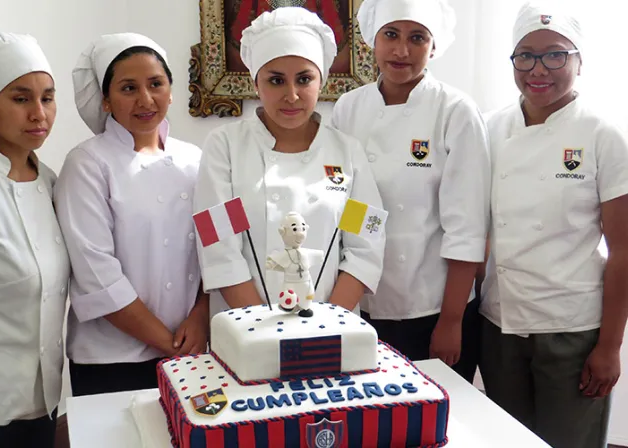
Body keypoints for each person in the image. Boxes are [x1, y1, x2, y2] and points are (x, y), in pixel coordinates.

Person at [479, 3, 628, 447]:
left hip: (572, 329)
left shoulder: (604, 135)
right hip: (499, 322)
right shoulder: (489, 128)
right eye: (525, 55)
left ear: (580, 61)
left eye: (556, 54)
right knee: (507, 440)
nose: (538, 69)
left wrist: (609, 346)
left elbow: (623, 251)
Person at [331, 0, 490, 383]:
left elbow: (466, 226)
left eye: (417, 38)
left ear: (433, 47)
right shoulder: (349, 108)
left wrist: (451, 321)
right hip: (366, 302)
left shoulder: (455, 111)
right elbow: (350, 203)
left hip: (435, 305)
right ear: (373, 41)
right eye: (391, 35)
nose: (401, 50)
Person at [194, 7, 385, 316]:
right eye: (276, 80)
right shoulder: (225, 147)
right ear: (256, 83)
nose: (292, 95)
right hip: (246, 327)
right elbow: (219, 248)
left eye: (304, 79)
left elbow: (366, 242)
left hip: (330, 324)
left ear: (320, 82)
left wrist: (324, 324)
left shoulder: (346, 152)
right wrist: (266, 329)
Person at [54, 33, 208, 397]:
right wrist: (168, 343)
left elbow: (219, 247)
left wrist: (202, 315)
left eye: (156, 84)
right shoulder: (87, 163)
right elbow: (96, 272)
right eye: (128, 88)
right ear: (105, 100)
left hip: (193, 347)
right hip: (113, 359)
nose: (145, 99)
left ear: (171, 90)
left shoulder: (196, 160)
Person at [0, 30, 69, 447]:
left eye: (47, 97)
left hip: (44, 402)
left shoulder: (53, 183)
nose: (39, 113)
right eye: (20, 99)